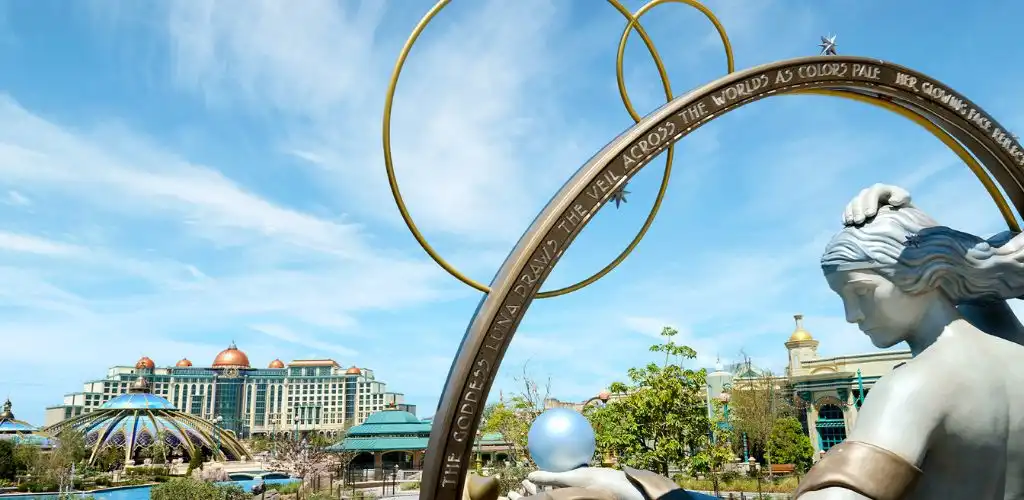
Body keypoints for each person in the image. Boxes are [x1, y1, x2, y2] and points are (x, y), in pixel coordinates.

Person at [796, 184, 1024, 499]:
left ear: (923, 271)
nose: (852, 315)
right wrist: (905, 216)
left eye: (861, 291)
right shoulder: (1013, 346)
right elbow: (959, 272)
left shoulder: (914, 387)